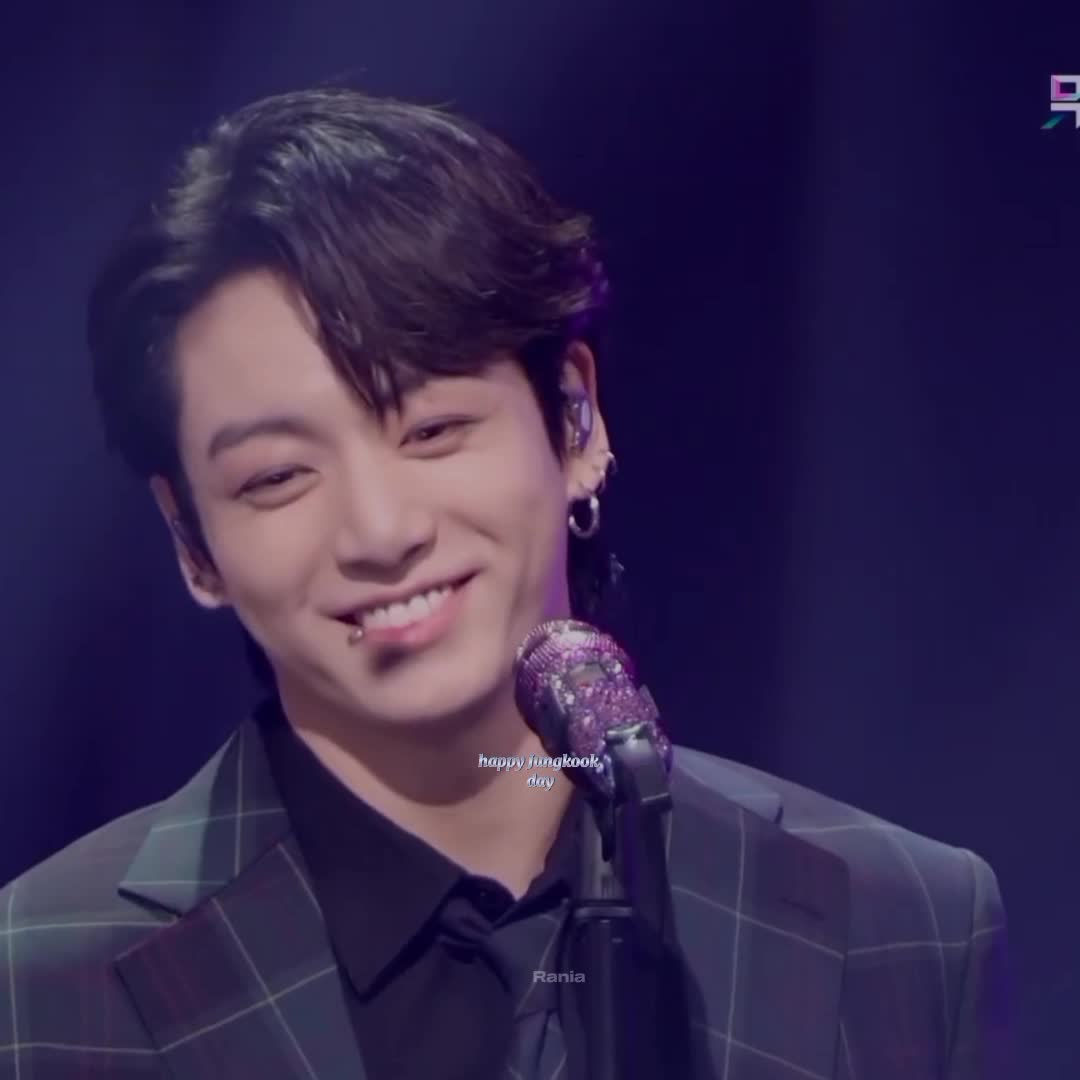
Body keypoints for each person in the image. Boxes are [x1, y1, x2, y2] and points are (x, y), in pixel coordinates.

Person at [0, 86, 1013, 1080]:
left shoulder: (896, 926)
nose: (382, 531)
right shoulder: (38, 985)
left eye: (434, 429)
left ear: (574, 419)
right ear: (192, 539)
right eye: (277, 477)